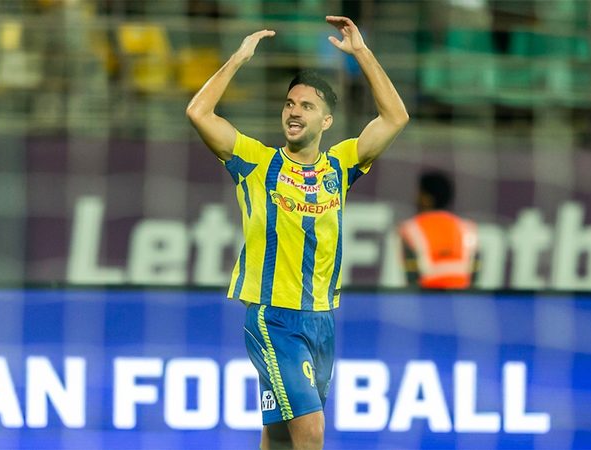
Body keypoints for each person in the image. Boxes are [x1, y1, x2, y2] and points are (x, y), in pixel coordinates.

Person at [186, 16, 408, 450]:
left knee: (280, 435)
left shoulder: (341, 165)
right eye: (290, 103)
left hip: (321, 319)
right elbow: (198, 112)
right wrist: (238, 58)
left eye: (307, 106)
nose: (294, 111)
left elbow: (396, 116)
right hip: (273, 317)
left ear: (326, 121)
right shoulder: (256, 161)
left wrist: (361, 53)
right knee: (311, 430)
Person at [398, 171, 478, 289]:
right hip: (461, 295)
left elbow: (410, 275)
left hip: (426, 295)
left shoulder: (409, 228)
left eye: (419, 193)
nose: (415, 198)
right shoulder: (467, 228)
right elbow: (474, 273)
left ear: (426, 198)